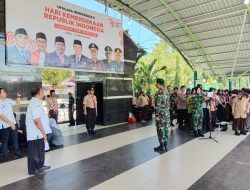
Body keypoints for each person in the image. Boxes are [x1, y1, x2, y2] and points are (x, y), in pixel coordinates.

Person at [26, 87, 50, 175]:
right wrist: (43, 132)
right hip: (35, 133)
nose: (43, 93)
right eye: (42, 92)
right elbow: (36, 120)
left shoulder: (37, 102)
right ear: (38, 93)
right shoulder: (35, 104)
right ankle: (32, 170)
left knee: (40, 150)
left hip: (38, 132)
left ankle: (40, 166)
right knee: (34, 152)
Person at [0, 89, 22, 161]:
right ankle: (5, 156)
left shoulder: (8, 100)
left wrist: (18, 97)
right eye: (3, 92)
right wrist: (10, 123)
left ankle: (17, 153)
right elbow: (1, 116)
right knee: (5, 141)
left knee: (15, 139)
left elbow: (17, 103)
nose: (5, 92)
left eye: (4, 91)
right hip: (5, 126)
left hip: (13, 123)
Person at [154, 78, 170, 152]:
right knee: (166, 129)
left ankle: (162, 146)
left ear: (158, 84)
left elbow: (158, 105)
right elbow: (168, 104)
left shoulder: (159, 93)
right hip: (166, 114)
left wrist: (157, 115)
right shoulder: (166, 92)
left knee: (160, 129)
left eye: (156, 83)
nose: (155, 84)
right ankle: (165, 144)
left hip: (160, 115)